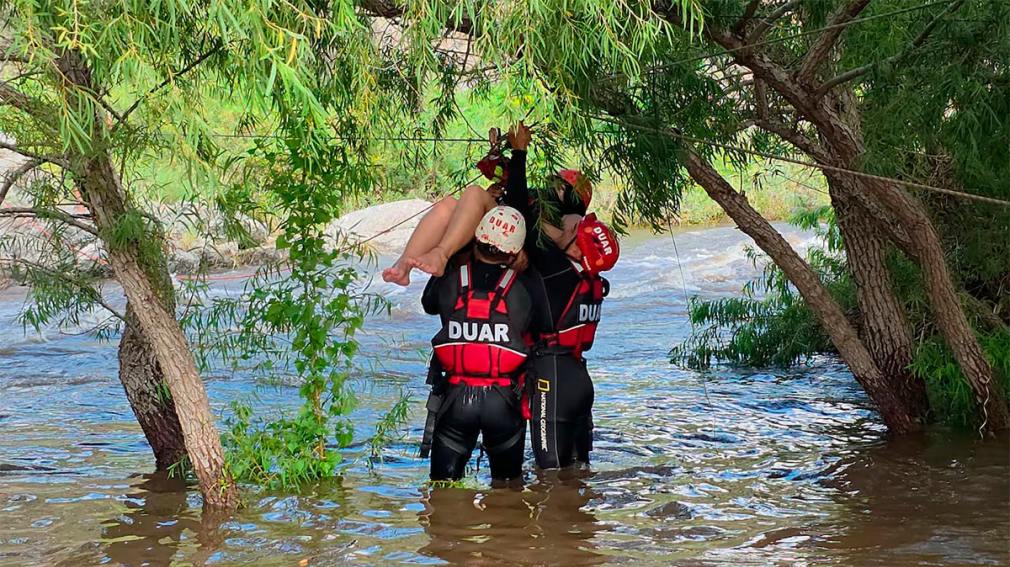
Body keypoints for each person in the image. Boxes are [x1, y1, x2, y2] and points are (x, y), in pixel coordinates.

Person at [410, 122, 620, 472]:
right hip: (574, 380)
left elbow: (522, 211)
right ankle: (581, 525)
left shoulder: (553, 269)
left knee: (549, 478)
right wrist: (503, 160)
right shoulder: (581, 277)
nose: (560, 226)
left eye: (567, 227)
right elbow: (522, 212)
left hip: (546, 381)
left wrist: (519, 153)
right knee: (572, 475)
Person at [420, 205, 540, 485]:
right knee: (508, 488)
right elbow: (541, 326)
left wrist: (451, 255)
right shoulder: (523, 289)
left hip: (455, 398)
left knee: (442, 487)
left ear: (476, 238)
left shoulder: (451, 280)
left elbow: (428, 304)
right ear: (515, 251)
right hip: (503, 399)